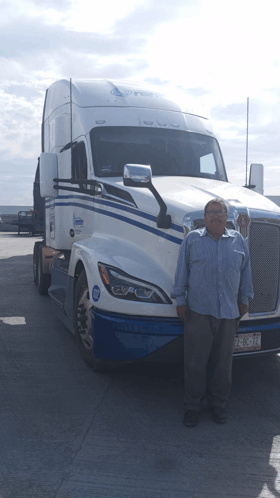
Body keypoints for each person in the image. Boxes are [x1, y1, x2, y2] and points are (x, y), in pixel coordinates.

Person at [171, 198, 254, 427]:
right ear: (205, 217)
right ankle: (192, 407)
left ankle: (218, 405)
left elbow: (245, 272)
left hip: (229, 313)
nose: (215, 216)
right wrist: (180, 300)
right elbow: (182, 272)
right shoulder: (192, 240)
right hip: (198, 312)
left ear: (227, 217)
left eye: (220, 212)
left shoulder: (238, 241)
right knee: (195, 363)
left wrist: (245, 299)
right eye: (211, 212)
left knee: (223, 363)